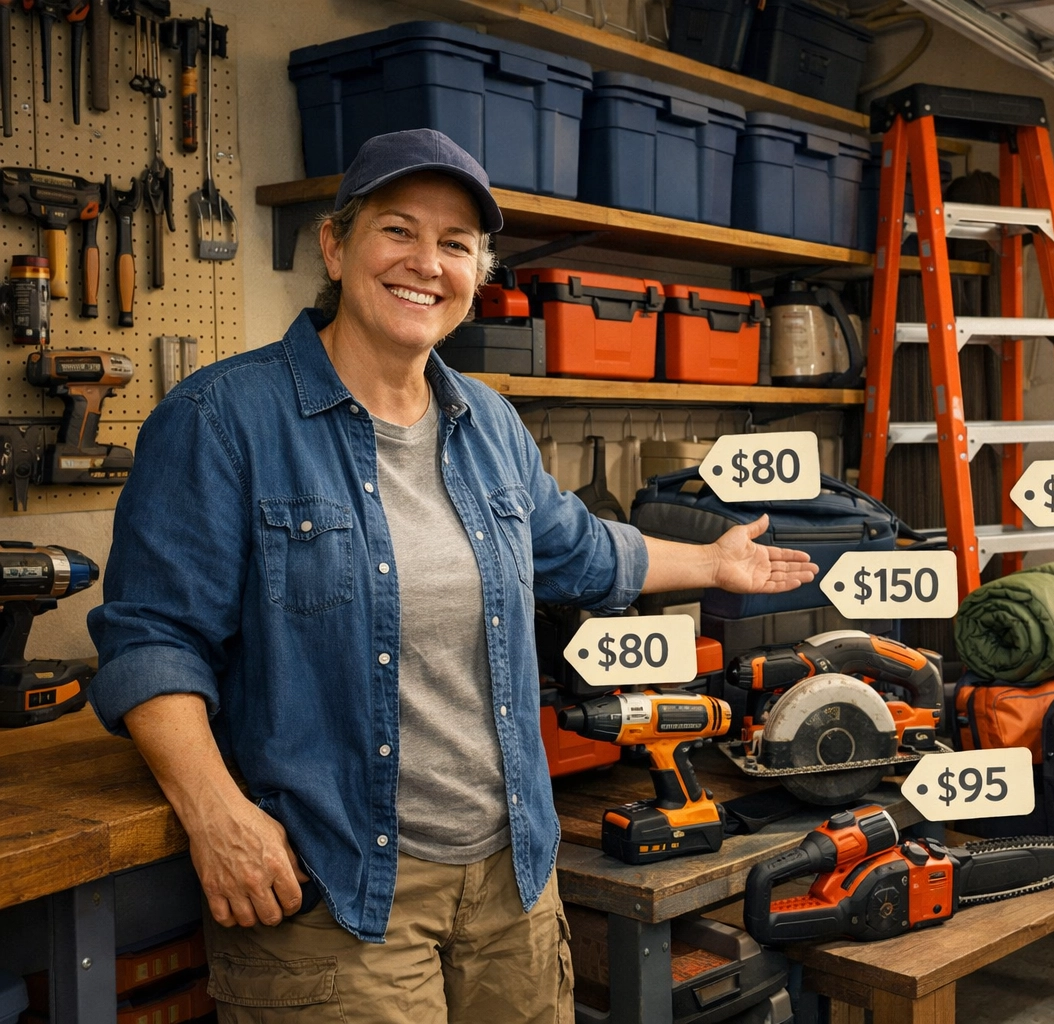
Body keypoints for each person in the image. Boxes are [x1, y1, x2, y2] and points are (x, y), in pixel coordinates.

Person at [86, 129, 817, 1024]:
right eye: (398, 230)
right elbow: (152, 640)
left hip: (512, 880)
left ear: (477, 274)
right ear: (335, 246)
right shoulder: (221, 419)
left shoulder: (490, 425)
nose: (426, 264)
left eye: (456, 244)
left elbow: (579, 550)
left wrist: (712, 561)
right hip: (336, 890)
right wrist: (214, 813)